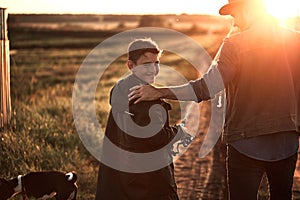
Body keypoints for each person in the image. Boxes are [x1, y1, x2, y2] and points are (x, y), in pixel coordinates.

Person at [128, 1, 300, 199]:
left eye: (235, 14)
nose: (235, 21)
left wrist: (160, 92)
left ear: (248, 9)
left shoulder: (235, 44)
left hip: (246, 143)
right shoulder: (296, 40)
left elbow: (206, 88)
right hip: (287, 143)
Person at [96, 38, 188, 200]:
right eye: (146, 64)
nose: (153, 69)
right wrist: (178, 132)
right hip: (149, 179)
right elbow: (157, 137)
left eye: (156, 63)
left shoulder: (120, 88)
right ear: (131, 65)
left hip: (123, 173)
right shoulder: (146, 98)